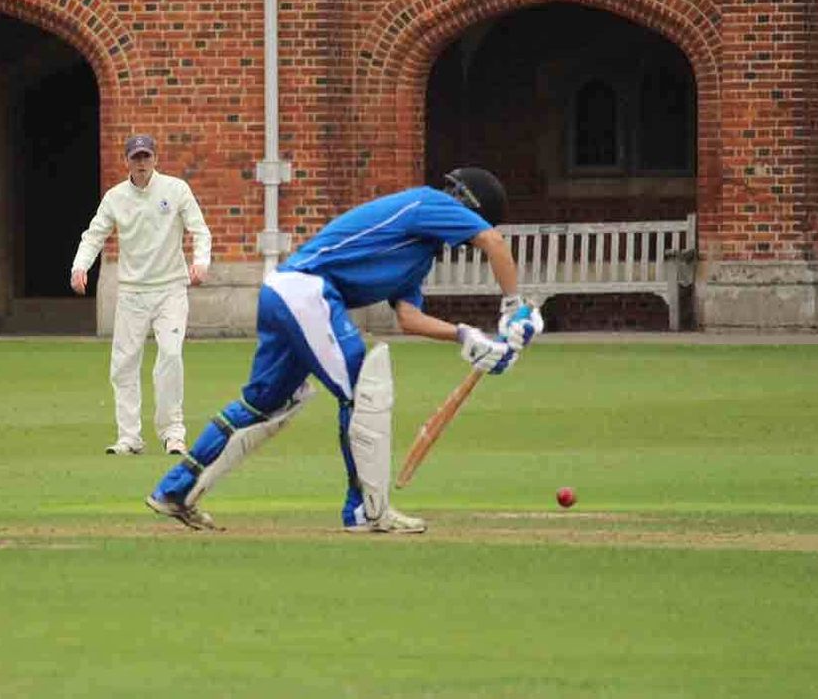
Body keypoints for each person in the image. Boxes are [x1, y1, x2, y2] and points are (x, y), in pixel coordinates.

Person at [145, 167, 544, 533]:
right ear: (469, 208)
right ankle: (365, 510)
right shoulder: (431, 202)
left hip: (284, 293)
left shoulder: (417, 255)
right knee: (361, 391)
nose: (468, 240)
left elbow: (409, 318)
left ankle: (174, 490)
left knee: (263, 404)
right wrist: (514, 308)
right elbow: (493, 242)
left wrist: (466, 337)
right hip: (307, 291)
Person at [71, 134, 212, 456]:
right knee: (124, 364)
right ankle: (129, 437)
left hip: (170, 289)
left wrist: (201, 262)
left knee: (171, 355)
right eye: (136, 158)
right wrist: (80, 267)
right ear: (127, 162)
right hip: (132, 292)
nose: (142, 163)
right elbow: (94, 235)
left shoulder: (176, 190)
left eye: (146, 157)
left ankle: (172, 433)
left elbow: (199, 230)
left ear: (155, 159)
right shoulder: (115, 198)